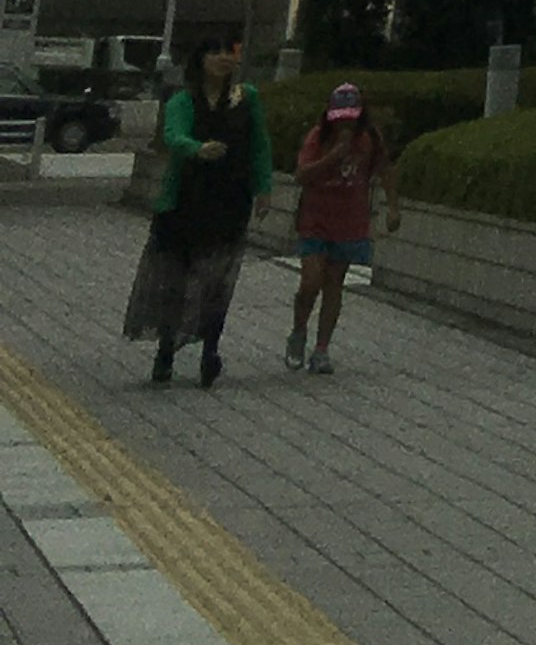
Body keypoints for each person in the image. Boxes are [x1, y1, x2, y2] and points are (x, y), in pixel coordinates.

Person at [122, 34, 272, 386]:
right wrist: (197, 148)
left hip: (230, 200)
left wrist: (263, 188)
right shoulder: (183, 100)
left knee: (218, 279)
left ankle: (210, 352)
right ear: (200, 60)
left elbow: (260, 145)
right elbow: (173, 136)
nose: (223, 58)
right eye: (214, 51)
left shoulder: (246, 98)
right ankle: (165, 352)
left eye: (228, 51)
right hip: (185, 202)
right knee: (175, 281)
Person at [284, 83, 393, 374]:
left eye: (351, 116)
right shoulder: (318, 138)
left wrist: (394, 208)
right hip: (315, 219)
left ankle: (322, 349)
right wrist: (332, 157)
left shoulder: (369, 138)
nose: (345, 123)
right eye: (340, 116)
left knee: (334, 283)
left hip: (348, 222)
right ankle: (298, 330)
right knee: (310, 283)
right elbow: (301, 175)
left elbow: (384, 169)